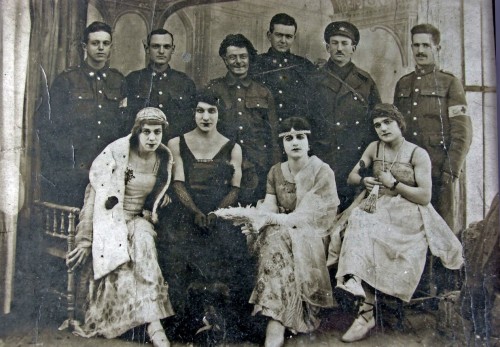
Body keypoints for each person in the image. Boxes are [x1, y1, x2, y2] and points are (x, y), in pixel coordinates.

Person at [329, 104, 463, 343]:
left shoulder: (417, 153)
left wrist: (393, 184)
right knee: (358, 222)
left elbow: (424, 196)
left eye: (387, 122)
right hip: (377, 204)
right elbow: (351, 177)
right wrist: (365, 179)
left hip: (409, 212)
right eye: (377, 125)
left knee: (375, 233)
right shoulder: (374, 148)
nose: (382, 128)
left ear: (399, 123)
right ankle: (361, 293)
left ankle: (366, 306)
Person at [66, 107, 174, 347]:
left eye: (157, 132)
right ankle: (149, 324)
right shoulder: (116, 153)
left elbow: (159, 191)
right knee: (123, 257)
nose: (152, 138)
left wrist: (158, 201)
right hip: (110, 221)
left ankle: (154, 325)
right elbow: (93, 196)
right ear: (136, 132)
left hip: (138, 220)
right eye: (146, 132)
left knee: (144, 242)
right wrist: (85, 240)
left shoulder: (163, 159)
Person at [164, 90, 254, 344]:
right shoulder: (176, 143)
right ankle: (190, 323)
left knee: (230, 249)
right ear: (193, 113)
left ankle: (220, 323)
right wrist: (194, 212)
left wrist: (216, 213)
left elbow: (235, 188)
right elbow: (178, 183)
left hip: (220, 211)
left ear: (219, 113)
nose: (206, 117)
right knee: (179, 250)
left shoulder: (232, 146)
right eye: (200, 111)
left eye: (211, 111)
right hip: (186, 211)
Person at [243, 117, 339, 347]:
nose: (295, 142)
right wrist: (258, 220)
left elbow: (308, 217)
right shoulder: (276, 171)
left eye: (300, 137)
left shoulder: (322, 171)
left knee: (276, 237)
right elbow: (269, 206)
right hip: (281, 231)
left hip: (312, 234)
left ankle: (275, 324)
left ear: (308, 142)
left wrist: (272, 219)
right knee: (271, 236)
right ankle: (278, 319)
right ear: (282, 144)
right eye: (288, 138)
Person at [393, 23, 472, 234]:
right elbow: (396, 129)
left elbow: (462, 132)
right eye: (416, 45)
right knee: (410, 231)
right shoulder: (403, 84)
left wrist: (451, 170)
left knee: (442, 231)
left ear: (437, 48)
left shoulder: (450, 83)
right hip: (408, 171)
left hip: (439, 169)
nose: (420, 51)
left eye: (426, 45)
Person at [41, 21, 128, 207]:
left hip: (107, 166)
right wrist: (66, 161)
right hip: (75, 167)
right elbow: (51, 126)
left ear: (111, 46)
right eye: (95, 43)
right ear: (84, 46)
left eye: (105, 43)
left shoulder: (118, 81)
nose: (101, 48)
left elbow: (123, 126)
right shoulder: (67, 80)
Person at [312, 21, 381, 211]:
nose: (339, 48)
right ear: (327, 47)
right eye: (334, 43)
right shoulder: (314, 80)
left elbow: (377, 125)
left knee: (353, 216)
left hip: (356, 161)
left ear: (353, 48)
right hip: (324, 158)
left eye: (344, 43)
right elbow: (305, 122)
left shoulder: (365, 82)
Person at [206, 33, 279, 204]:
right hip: (222, 165)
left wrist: (275, 172)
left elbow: (273, 136)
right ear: (225, 59)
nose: (238, 62)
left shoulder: (263, 92)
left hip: (257, 168)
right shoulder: (213, 90)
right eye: (232, 57)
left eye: (243, 56)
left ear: (250, 58)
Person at [126, 28, 196, 141]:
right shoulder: (132, 80)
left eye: (167, 47)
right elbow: (125, 122)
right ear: (147, 48)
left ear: (173, 49)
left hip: (175, 149)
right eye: (156, 46)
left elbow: (192, 124)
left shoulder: (185, 82)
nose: (161, 51)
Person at [252, 13, 316, 124]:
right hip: (264, 132)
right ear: (269, 35)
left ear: (294, 38)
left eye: (288, 36)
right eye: (278, 35)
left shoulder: (305, 65)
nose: (283, 40)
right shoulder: (255, 64)